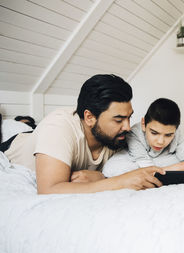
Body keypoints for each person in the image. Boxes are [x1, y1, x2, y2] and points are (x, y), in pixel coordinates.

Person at [3, 74, 164, 194]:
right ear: (90, 117)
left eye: (129, 117)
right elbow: (48, 190)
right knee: (18, 128)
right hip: (12, 146)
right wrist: (118, 182)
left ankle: (28, 123)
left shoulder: (116, 136)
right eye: (118, 120)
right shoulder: (58, 127)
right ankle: (24, 123)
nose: (127, 127)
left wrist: (102, 178)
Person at [102, 98, 184, 177]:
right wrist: (180, 167)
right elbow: (146, 168)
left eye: (168, 135)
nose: (160, 142)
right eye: (154, 133)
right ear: (143, 124)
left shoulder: (177, 133)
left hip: (162, 159)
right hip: (141, 160)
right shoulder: (133, 134)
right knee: (114, 168)